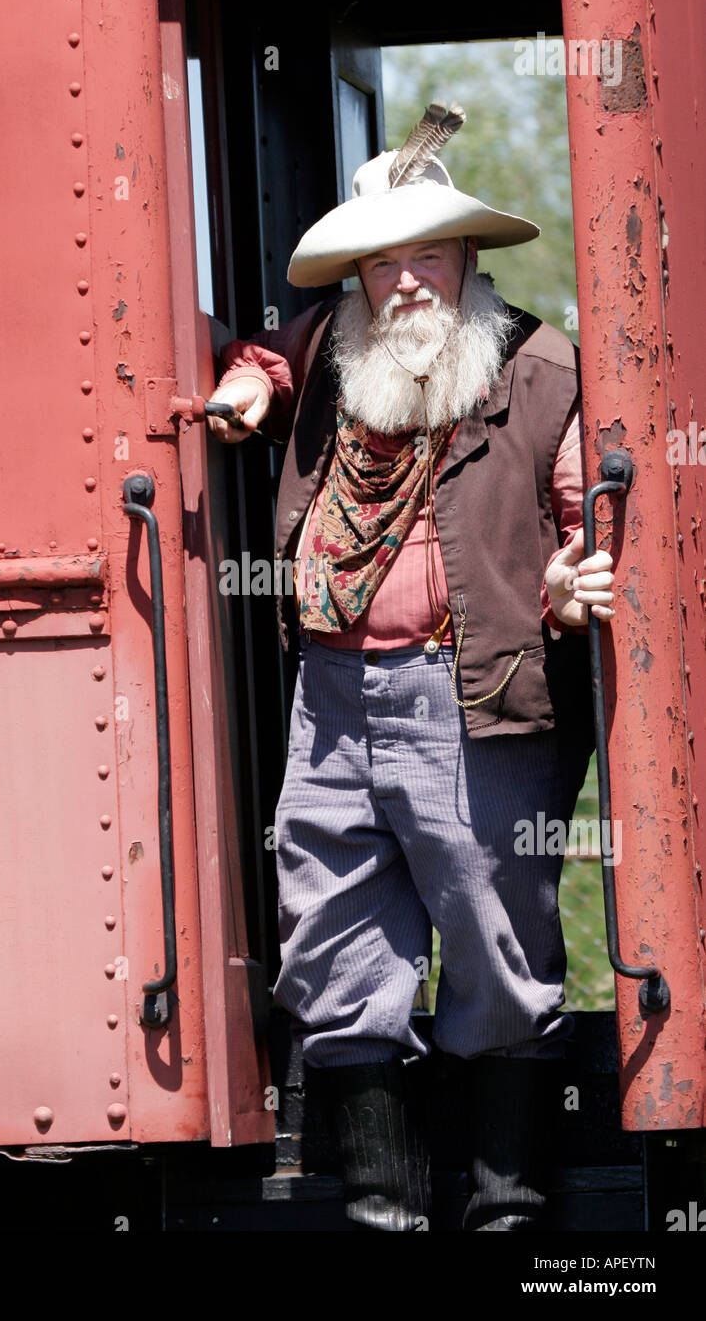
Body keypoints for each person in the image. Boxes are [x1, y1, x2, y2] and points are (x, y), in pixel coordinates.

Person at [207, 103, 616, 1231]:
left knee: (492, 947)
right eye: (378, 262)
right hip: (328, 698)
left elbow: (589, 517)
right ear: (355, 278)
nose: (404, 282)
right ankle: (383, 1217)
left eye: (424, 253)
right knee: (333, 948)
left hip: (470, 692)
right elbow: (254, 356)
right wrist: (244, 381)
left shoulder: (540, 367)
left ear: (466, 255)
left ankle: (505, 1214)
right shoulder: (322, 351)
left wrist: (576, 581)